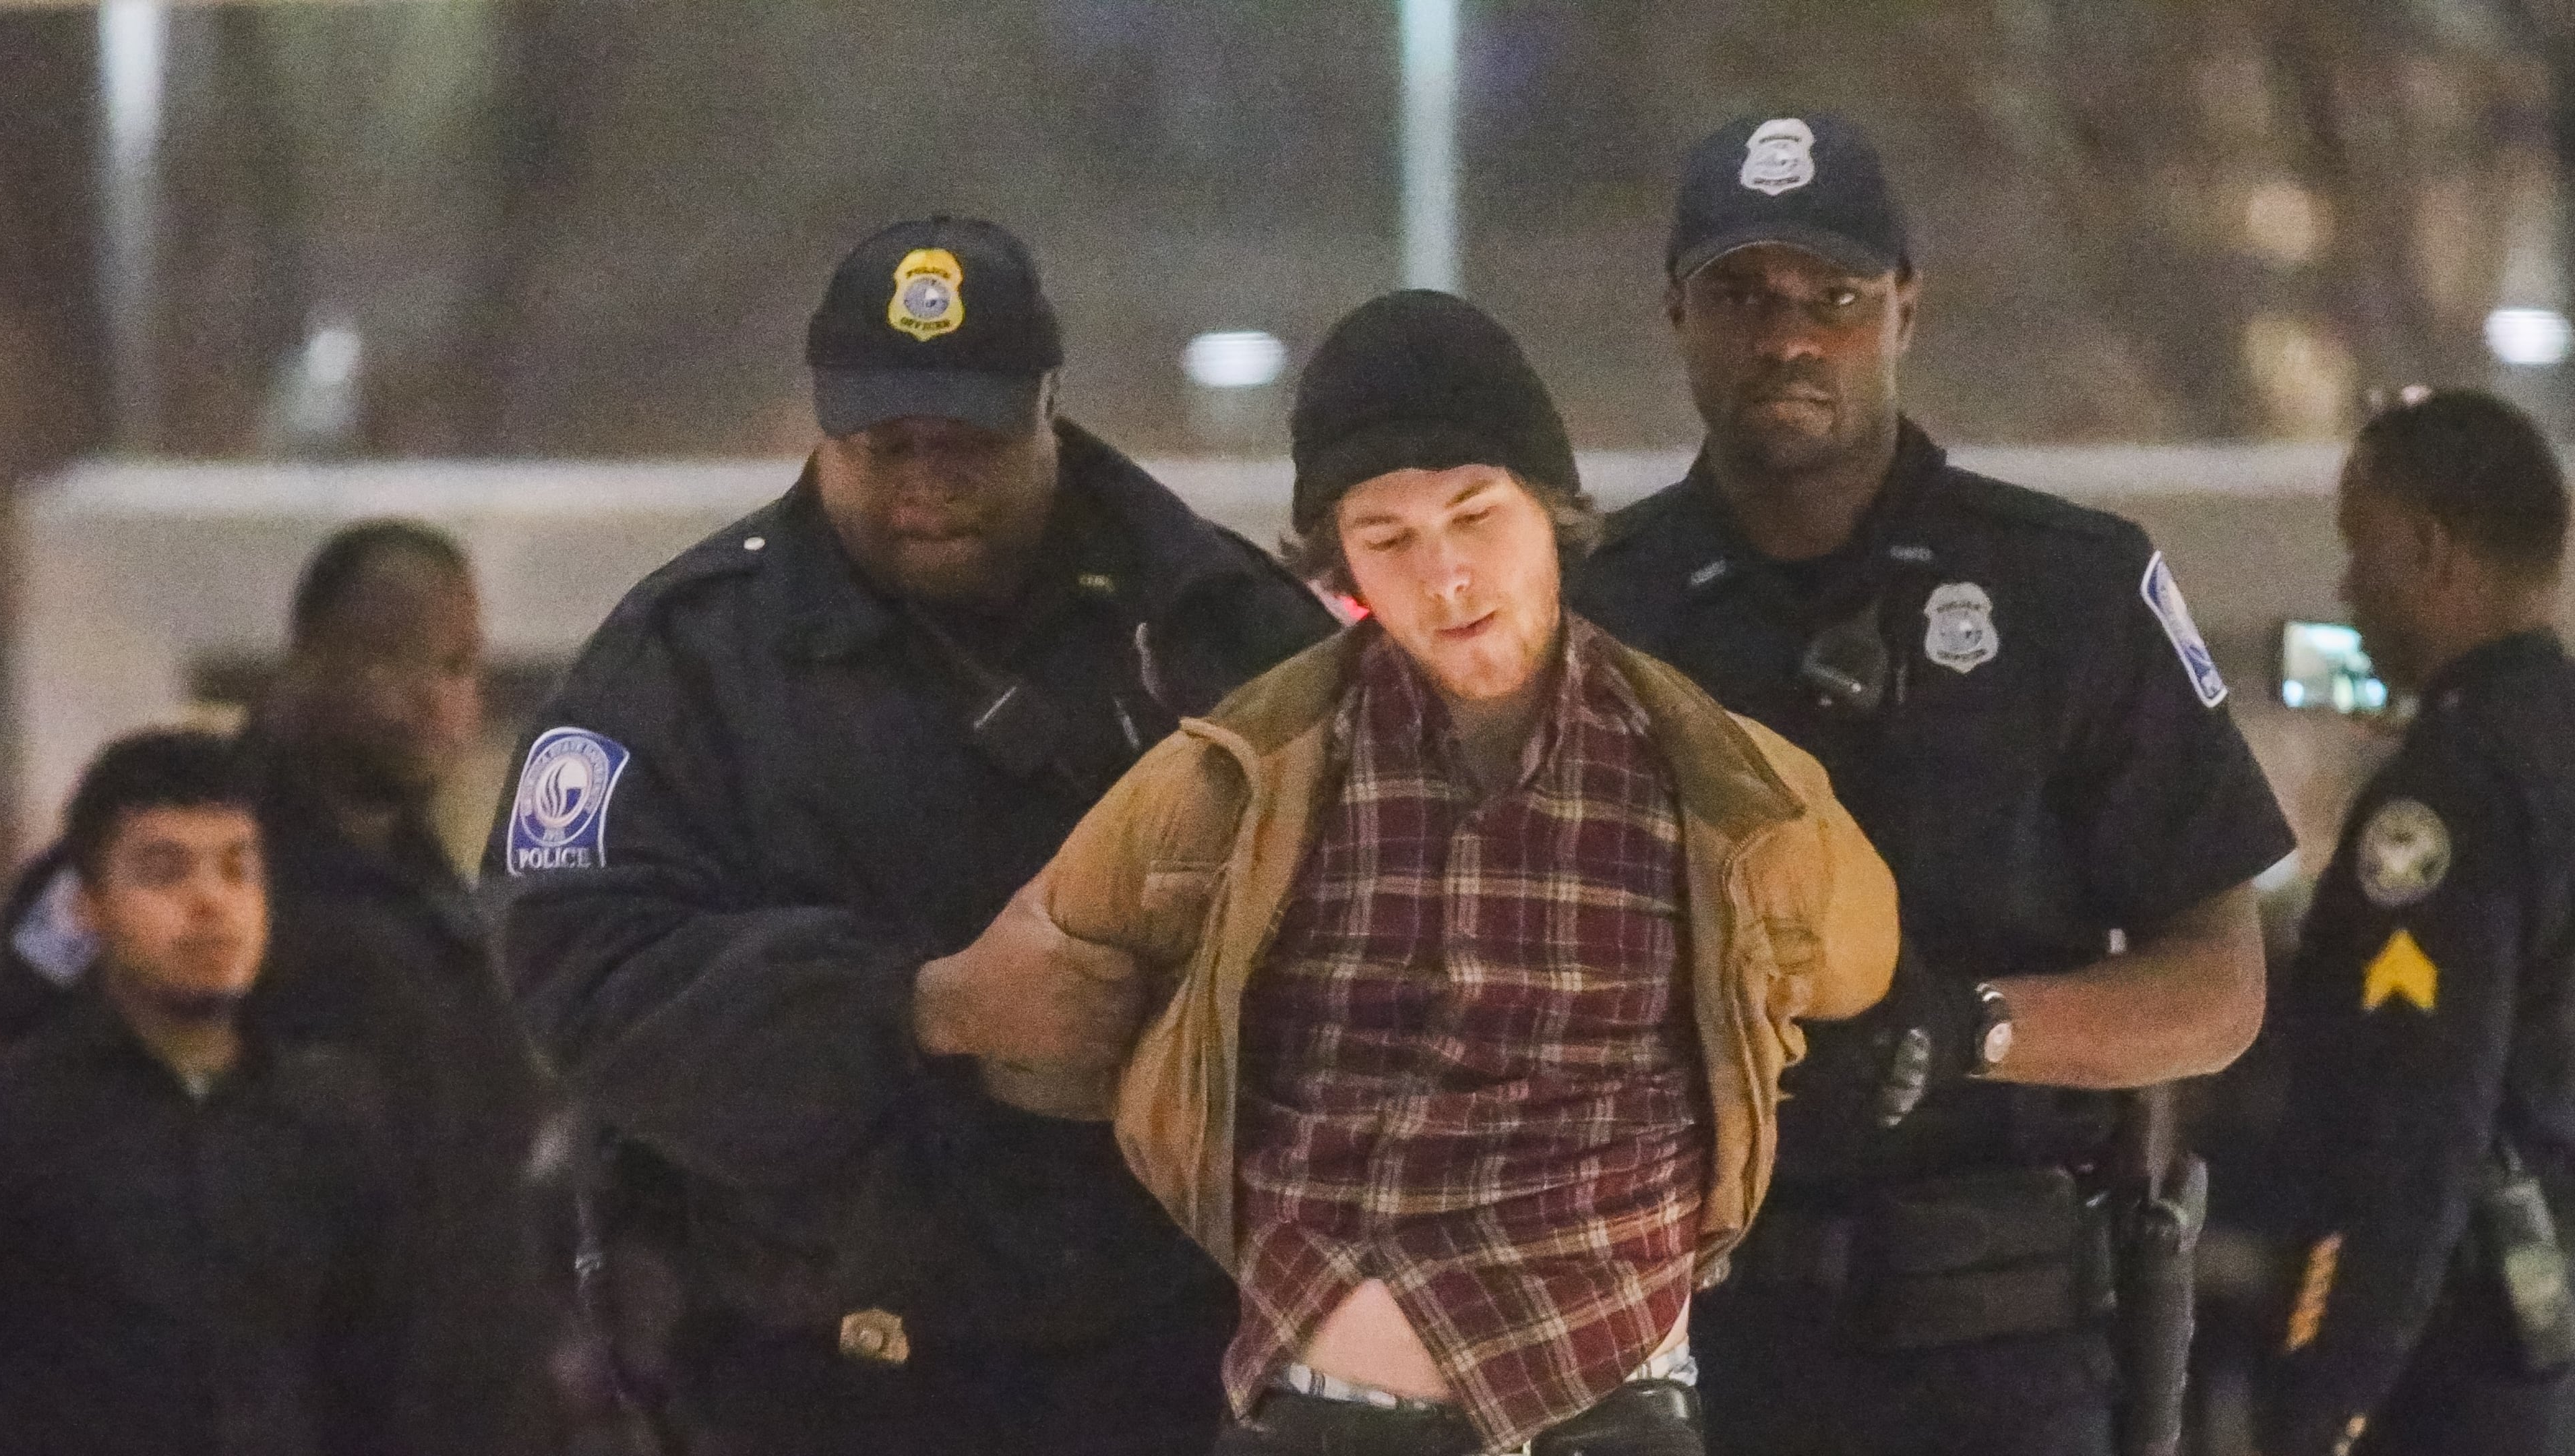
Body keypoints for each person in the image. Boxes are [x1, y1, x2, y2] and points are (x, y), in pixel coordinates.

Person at [965, 289, 1900, 1456]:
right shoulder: (1248, 774)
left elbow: (1853, 965)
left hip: (1603, 1406)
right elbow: (1034, 969)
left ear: (1549, 514)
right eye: (1389, 537)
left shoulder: (1718, 784)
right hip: (1322, 1412)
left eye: (1476, 516)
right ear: (1341, 559)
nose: (1446, 576)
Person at [481, 214, 1336, 1456]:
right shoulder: (685, 664)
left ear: (1049, 406)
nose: (926, 482)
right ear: (825, 430)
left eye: (968, 443)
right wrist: (926, 1006)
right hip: (807, 1375)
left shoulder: (1220, 633)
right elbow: (579, 968)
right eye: (886, 445)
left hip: (1176, 1367)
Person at [1571, 113, 2296, 1455]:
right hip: (1677, 1349)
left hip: (1997, 1347)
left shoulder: (2066, 588)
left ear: (1905, 307)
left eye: (1833, 297)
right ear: (1676, 313)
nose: (1788, 334)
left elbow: (2220, 986)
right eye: (1742, 294)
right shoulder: (1599, 613)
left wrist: (1972, 1029)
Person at [0, 520, 557, 1455]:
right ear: (307, 661)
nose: (433, 700)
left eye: (457, 668)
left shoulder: (433, 893)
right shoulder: (185, 843)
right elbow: (32, 1046)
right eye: (392, 661)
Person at [2260, 390, 2575, 1456]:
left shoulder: (2452, 788)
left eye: (2363, 551)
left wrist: (2324, 1396)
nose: (2349, 589)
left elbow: (2413, 1119)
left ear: (2431, 549)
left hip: (2452, 1362)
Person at [0, 729, 413, 1456]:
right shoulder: (18, 1118)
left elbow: (367, 1375)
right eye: (165, 871)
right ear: (91, 906)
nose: (211, 902)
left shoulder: (331, 1113)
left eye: (237, 869)